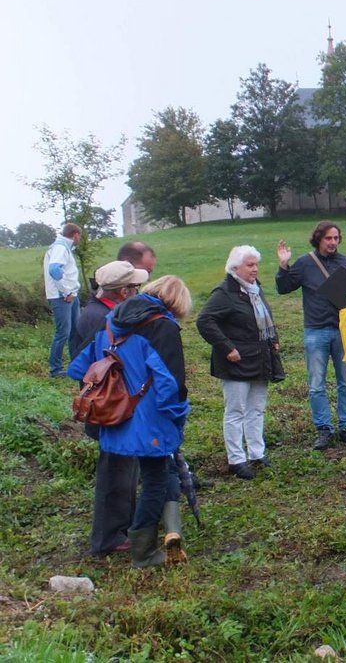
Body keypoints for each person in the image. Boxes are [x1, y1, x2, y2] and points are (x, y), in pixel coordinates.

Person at [69, 275, 193, 569]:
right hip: (149, 419)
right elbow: (170, 385)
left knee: (146, 478)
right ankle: (144, 553)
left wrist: (117, 386)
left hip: (113, 418)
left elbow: (78, 368)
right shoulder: (162, 326)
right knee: (155, 480)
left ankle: (140, 541)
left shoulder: (110, 321)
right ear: (175, 303)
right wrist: (178, 419)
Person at [73, 260, 149, 556]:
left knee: (124, 469)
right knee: (114, 473)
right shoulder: (100, 318)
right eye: (134, 287)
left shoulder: (103, 312)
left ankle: (120, 529)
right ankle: (108, 538)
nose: (137, 292)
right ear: (122, 292)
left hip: (116, 405)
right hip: (109, 408)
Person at [276, 221, 346, 450]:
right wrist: (284, 265)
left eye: (336, 238)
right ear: (318, 239)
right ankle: (323, 429)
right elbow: (284, 288)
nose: (333, 242)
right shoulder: (306, 263)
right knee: (316, 384)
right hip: (315, 330)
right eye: (328, 238)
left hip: (342, 330)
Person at [197, 246, 283, 479]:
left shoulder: (255, 290)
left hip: (260, 357)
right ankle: (236, 460)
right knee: (235, 411)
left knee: (256, 409)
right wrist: (227, 348)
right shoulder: (224, 292)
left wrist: (273, 339)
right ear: (235, 267)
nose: (255, 269)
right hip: (236, 361)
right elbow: (205, 321)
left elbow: (264, 317)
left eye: (256, 264)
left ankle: (257, 453)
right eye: (250, 265)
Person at [43, 223, 82, 377]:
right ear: (76, 235)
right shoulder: (60, 247)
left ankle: (76, 365)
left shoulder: (63, 247)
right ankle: (55, 369)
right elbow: (54, 270)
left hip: (70, 295)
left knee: (74, 332)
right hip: (63, 297)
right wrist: (66, 291)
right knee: (63, 333)